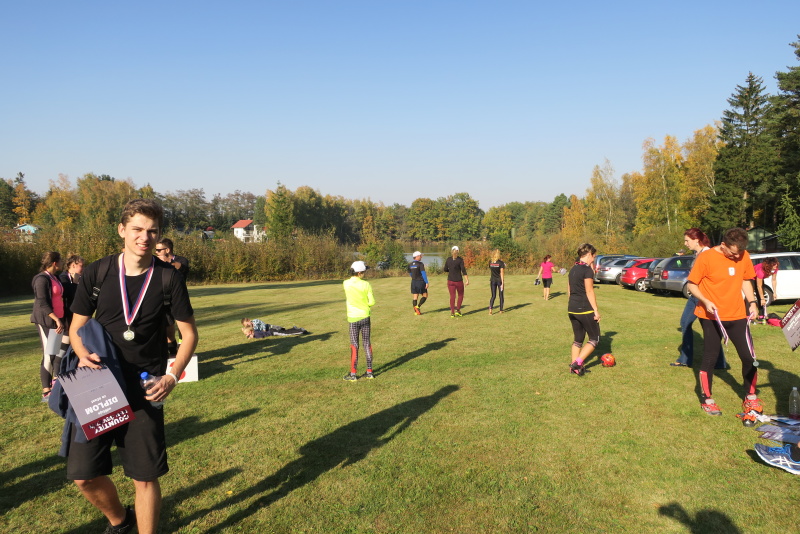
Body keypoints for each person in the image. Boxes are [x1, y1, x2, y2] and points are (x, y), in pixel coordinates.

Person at [67, 199, 198, 534]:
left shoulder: (168, 277)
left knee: (145, 477)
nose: (145, 237)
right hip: (98, 384)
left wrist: (172, 376)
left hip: (144, 389)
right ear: (122, 230)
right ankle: (121, 522)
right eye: (137, 229)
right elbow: (76, 327)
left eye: (152, 231)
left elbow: (189, 334)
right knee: (84, 475)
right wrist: (81, 352)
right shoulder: (98, 272)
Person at [685, 227, 760, 417]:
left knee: (748, 357)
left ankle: (751, 396)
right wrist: (705, 301)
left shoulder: (743, 255)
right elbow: (692, 284)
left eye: (739, 253)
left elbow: (745, 280)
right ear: (723, 244)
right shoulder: (706, 257)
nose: (736, 257)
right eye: (733, 253)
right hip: (711, 316)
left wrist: (752, 303)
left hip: (737, 315)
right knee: (710, 357)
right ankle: (707, 399)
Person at [670, 229, 727, 369]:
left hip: (701, 297)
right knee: (708, 330)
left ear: (696, 240)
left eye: (687, 240)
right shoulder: (699, 253)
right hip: (697, 296)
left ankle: (687, 359)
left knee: (687, 323)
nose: (685, 243)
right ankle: (719, 363)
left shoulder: (707, 253)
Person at [30, 251, 66, 401]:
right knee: (48, 353)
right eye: (61, 260)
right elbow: (42, 302)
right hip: (46, 320)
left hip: (56, 320)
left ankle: (54, 385)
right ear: (54, 263)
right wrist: (56, 319)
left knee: (54, 351)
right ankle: (46, 391)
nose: (63, 262)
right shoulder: (41, 279)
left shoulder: (54, 277)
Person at [567, 243, 601, 376]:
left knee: (578, 339)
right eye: (594, 256)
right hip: (584, 309)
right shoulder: (587, 270)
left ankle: (574, 368)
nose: (594, 258)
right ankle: (577, 363)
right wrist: (596, 310)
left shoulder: (573, 269)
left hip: (572, 308)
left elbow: (569, 290)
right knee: (595, 338)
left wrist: (573, 304)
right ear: (589, 255)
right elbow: (589, 291)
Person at [155, 238, 189, 355]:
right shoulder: (155, 261)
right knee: (168, 327)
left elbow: (182, 268)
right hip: (164, 299)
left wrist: (168, 262)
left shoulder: (181, 260)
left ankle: (182, 348)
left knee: (183, 326)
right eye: (156, 250)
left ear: (167, 250)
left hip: (180, 298)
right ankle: (173, 353)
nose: (156, 252)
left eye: (159, 250)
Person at [343, 260, 375, 381]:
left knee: (354, 345)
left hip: (353, 318)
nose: (364, 274)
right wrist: (365, 305)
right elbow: (372, 302)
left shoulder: (346, 283)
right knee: (367, 343)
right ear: (360, 272)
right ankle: (369, 372)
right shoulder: (366, 284)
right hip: (365, 317)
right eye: (364, 272)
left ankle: (353, 374)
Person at [444, 246, 469, 318]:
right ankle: (458, 310)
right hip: (458, 281)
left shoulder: (448, 259)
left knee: (452, 296)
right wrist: (467, 280)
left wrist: (450, 270)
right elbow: (463, 270)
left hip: (450, 280)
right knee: (460, 295)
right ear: (458, 251)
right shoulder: (460, 260)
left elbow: (445, 269)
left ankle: (452, 312)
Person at [753, 257, 778, 324]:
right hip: (751, 278)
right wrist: (762, 299)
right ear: (769, 265)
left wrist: (774, 292)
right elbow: (759, 286)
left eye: (776, 264)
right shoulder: (760, 270)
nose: (776, 266)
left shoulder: (775, 269)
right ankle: (749, 316)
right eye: (774, 264)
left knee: (762, 294)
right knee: (752, 297)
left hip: (759, 278)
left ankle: (761, 315)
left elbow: (774, 280)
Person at [408, 251, 428, 315]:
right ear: (417, 256)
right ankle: (418, 307)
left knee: (415, 297)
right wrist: (426, 282)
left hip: (413, 282)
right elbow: (423, 273)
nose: (421, 257)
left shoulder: (410, 264)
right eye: (420, 256)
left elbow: (410, 274)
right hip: (420, 282)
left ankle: (416, 311)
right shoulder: (420, 264)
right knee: (425, 295)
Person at [488, 249, 505, 315]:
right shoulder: (501, 263)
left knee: (493, 296)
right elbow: (502, 273)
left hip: (492, 280)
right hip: (499, 281)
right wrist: (502, 283)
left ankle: (490, 309)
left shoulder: (490, 262)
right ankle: (501, 310)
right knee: (501, 295)